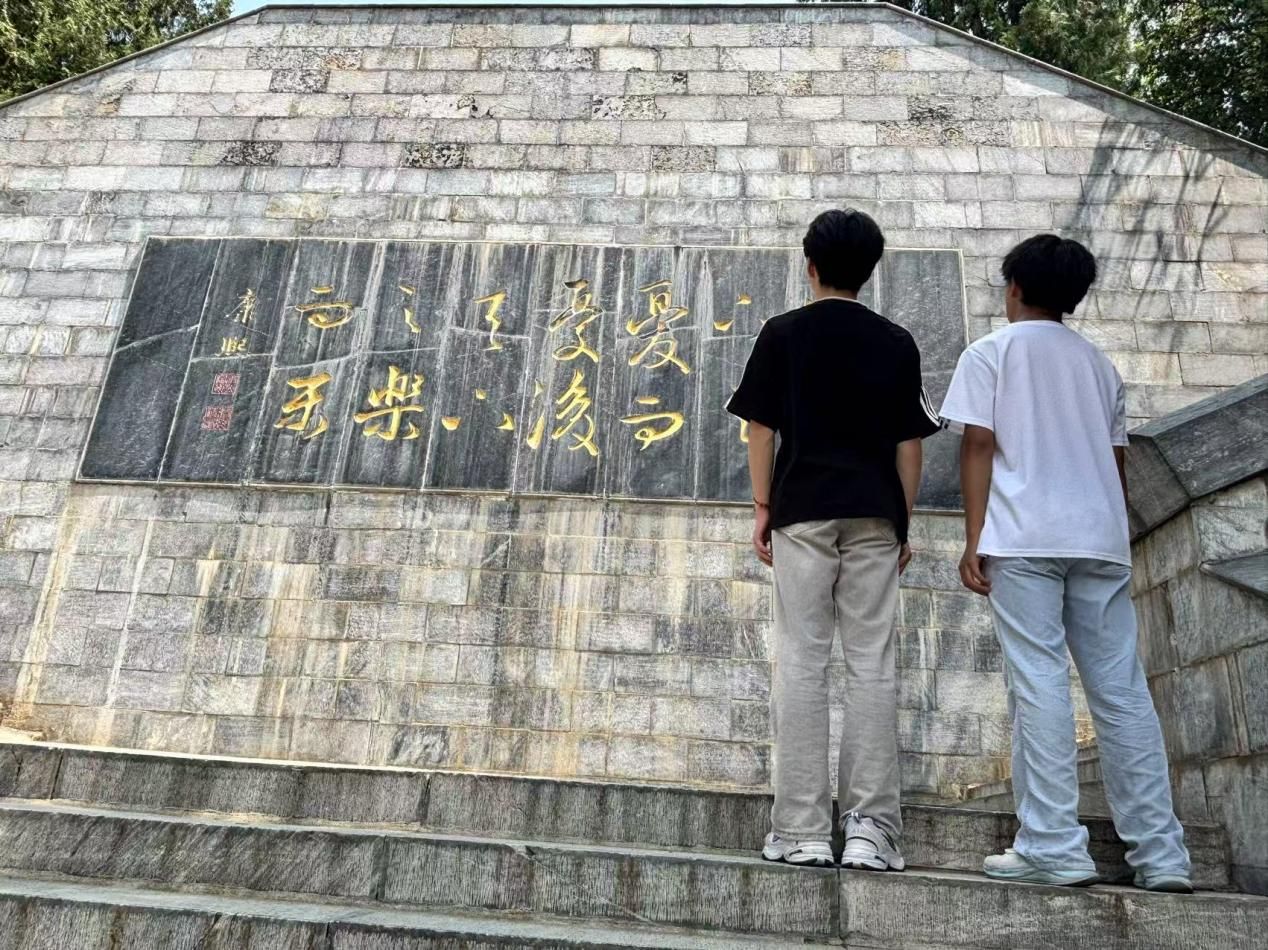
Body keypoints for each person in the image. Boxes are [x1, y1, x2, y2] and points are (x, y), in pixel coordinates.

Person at [939, 234, 1192, 892]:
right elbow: (1115, 461)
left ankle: (1052, 844)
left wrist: (974, 538)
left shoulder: (990, 353)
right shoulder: (1099, 366)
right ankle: (1162, 854)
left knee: (1039, 682)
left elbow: (979, 446)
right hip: (1098, 538)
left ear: (1015, 287)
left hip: (1025, 537)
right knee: (1122, 691)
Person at [727, 208, 942, 870]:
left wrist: (763, 506)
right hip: (875, 515)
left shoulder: (783, 333)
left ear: (810, 266)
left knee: (803, 659)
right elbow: (910, 444)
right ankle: (872, 830)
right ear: (869, 270)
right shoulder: (896, 341)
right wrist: (902, 522)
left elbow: (761, 430)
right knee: (871, 661)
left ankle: (802, 830)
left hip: (803, 511)